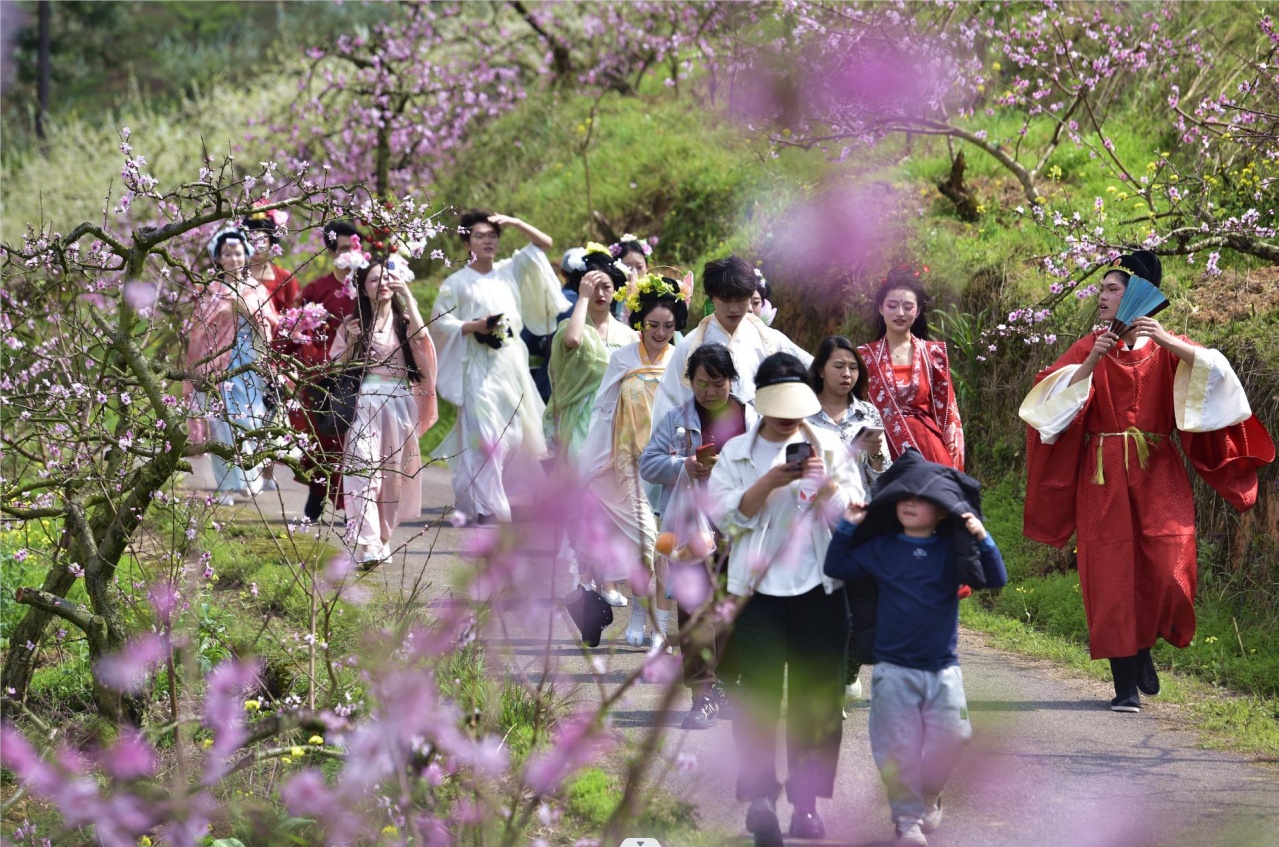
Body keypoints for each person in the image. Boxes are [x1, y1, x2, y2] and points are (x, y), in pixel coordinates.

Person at [1019, 250, 1273, 713]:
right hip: (1103, 474)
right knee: (1111, 571)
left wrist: (1169, 341)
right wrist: (1090, 362)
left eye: (1112, 289)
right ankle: (1124, 684)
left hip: (1158, 468)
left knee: (1171, 561)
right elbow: (1044, 408)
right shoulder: (1089, 346)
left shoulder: (1169, 349)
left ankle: (1143, 648)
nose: (1101, 297)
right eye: (1100, 290)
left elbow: (1218, 377)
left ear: (1138, 295)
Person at [707, 352, 862, 847]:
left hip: (819, 588)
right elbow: (724, 522)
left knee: (817, 698)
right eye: (777, 410)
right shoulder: (735, 453)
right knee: (757, 696)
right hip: (757, 593)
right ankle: (758, 798)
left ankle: (807, 805)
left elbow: (852, 521)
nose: (786, 422)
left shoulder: (831, 445)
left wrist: (824, 485)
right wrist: (768, 482)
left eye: (794, 411)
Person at [823, 453, 1008, 847]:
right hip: (892, 671)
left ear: (941, 511)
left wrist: (982, 537)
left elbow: (996, 578)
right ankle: (907, 821)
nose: (909, 502)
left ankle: (928, 792)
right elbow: (836, 566)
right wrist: (847, 526)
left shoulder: (949, 551)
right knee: (896, 747)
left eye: (922, 498)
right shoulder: (883, 548)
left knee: (955, 736)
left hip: (943, 670)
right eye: (902, 497)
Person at [641, 342, 755, 730]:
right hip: (692, 528)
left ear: (732, 381)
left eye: (718, 383)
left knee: (736, 613)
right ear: (690, 381)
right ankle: (701, 695)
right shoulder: (677, 419)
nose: (709, 391)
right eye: (702, 383)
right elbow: (648, 464)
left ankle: (728, 686)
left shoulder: (752, 419)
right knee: (694, 612)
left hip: (739, 527)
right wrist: (684, 465)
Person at [429, 210, 568, 525]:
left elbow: (544, 244)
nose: (488, 241)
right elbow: (441, 321)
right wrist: (472, 326)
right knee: (487, 434)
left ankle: (480, 495)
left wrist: (517, 223)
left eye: (492, 236)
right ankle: (490, 509)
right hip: (477, 366)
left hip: (510, 363)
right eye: (480, 236)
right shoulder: (457, 283)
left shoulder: (508, 271)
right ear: (467, 242)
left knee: (515, 436)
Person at [576, 274, 687, 624]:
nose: (659, 332)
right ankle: (641, 613)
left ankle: (659, 628)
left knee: (666, 547)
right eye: (652, 324)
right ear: (639, 321)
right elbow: (604, 409)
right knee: (646, 541)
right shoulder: (623, 359)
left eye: (668, 326)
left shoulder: (682, 359)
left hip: (671, 465)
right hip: (631, 464)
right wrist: (593, 459)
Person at [329, 257, 437, 568]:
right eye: (375, 279)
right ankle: (368, 543)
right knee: (362, 469)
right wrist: (351, 341)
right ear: (363, 288)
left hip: (399, 404)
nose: (383, 284)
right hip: (364, 403)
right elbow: (337, 367)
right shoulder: (353, 324)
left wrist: (409, 298)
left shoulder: (404, 321)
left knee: (393, 478)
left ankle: (382, 538)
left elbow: (421, 339)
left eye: (388, 278)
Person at [807, 335, 891, 705]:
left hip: (859, 516)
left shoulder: (867, 413)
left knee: (862, 598)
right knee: (821, 598)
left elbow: (881, 473)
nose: (846, 374)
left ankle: (848, 669)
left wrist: (874, 456)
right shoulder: (804, 412)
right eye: (838, 366)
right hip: (813, 518)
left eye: (853, 367)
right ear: (821, 369)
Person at [652, 256, 811, 432]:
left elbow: (811, 371)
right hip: (706, 442)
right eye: (725, 300)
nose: (734, 308)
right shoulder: (690, 345)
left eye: (741, 299)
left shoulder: (771, 340)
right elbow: (668, 401)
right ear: (711, 298)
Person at [184, 227, 280, 506]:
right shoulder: (211, 291)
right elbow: (198, 330)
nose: (234, 258)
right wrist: (224, 313)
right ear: (219, 258)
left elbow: (269, 322)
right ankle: (227, 483)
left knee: (249, 419)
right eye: (227, 253)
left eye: (238, 252)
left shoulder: (256, 289)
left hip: (250, 360)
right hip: (218, 363)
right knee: (221, 423)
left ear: (246, 255)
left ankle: (250, 477)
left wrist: (243, 309)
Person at [277, 220, 362, 521]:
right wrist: (285, 362)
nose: (348, 253)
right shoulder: (317, 288)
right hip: (321, 374)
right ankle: (317, 495)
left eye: (352, 247)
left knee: (356, 442)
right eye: (341, 248)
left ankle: (357, 506)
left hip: (360, 372)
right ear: (331, 250)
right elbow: (296, 329)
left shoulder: (368, 287)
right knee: (323, 439)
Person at [858, 267, 964, 470]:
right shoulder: (864, 356)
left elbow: (949, 414)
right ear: (881, 308)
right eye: (892, 305)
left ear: (918, 311)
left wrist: (955, 464)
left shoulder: (932, 354)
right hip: (881, 449)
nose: (900, 313)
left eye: (908, 306)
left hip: (927, 449)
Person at [543, 244, 637, 467]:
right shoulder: (570, 326)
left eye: (606, 287)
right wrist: (583, 298)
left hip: (616, 417)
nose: (600, 293)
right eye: (593, 287)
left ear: (615, 290)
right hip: (580, 415)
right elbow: (573, 340)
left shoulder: (628, 335)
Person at [523, 248, 581, 403]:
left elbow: (526, 340)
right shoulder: (606, 305)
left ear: (562, 273)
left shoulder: (553, 302)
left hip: (551, 388)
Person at [244, 203, 300, 314]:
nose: (257, 246)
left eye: (262, 241)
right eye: (252, 241)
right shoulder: (235, 275)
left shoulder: (286, 279)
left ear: (271, 243)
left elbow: (294, 315)